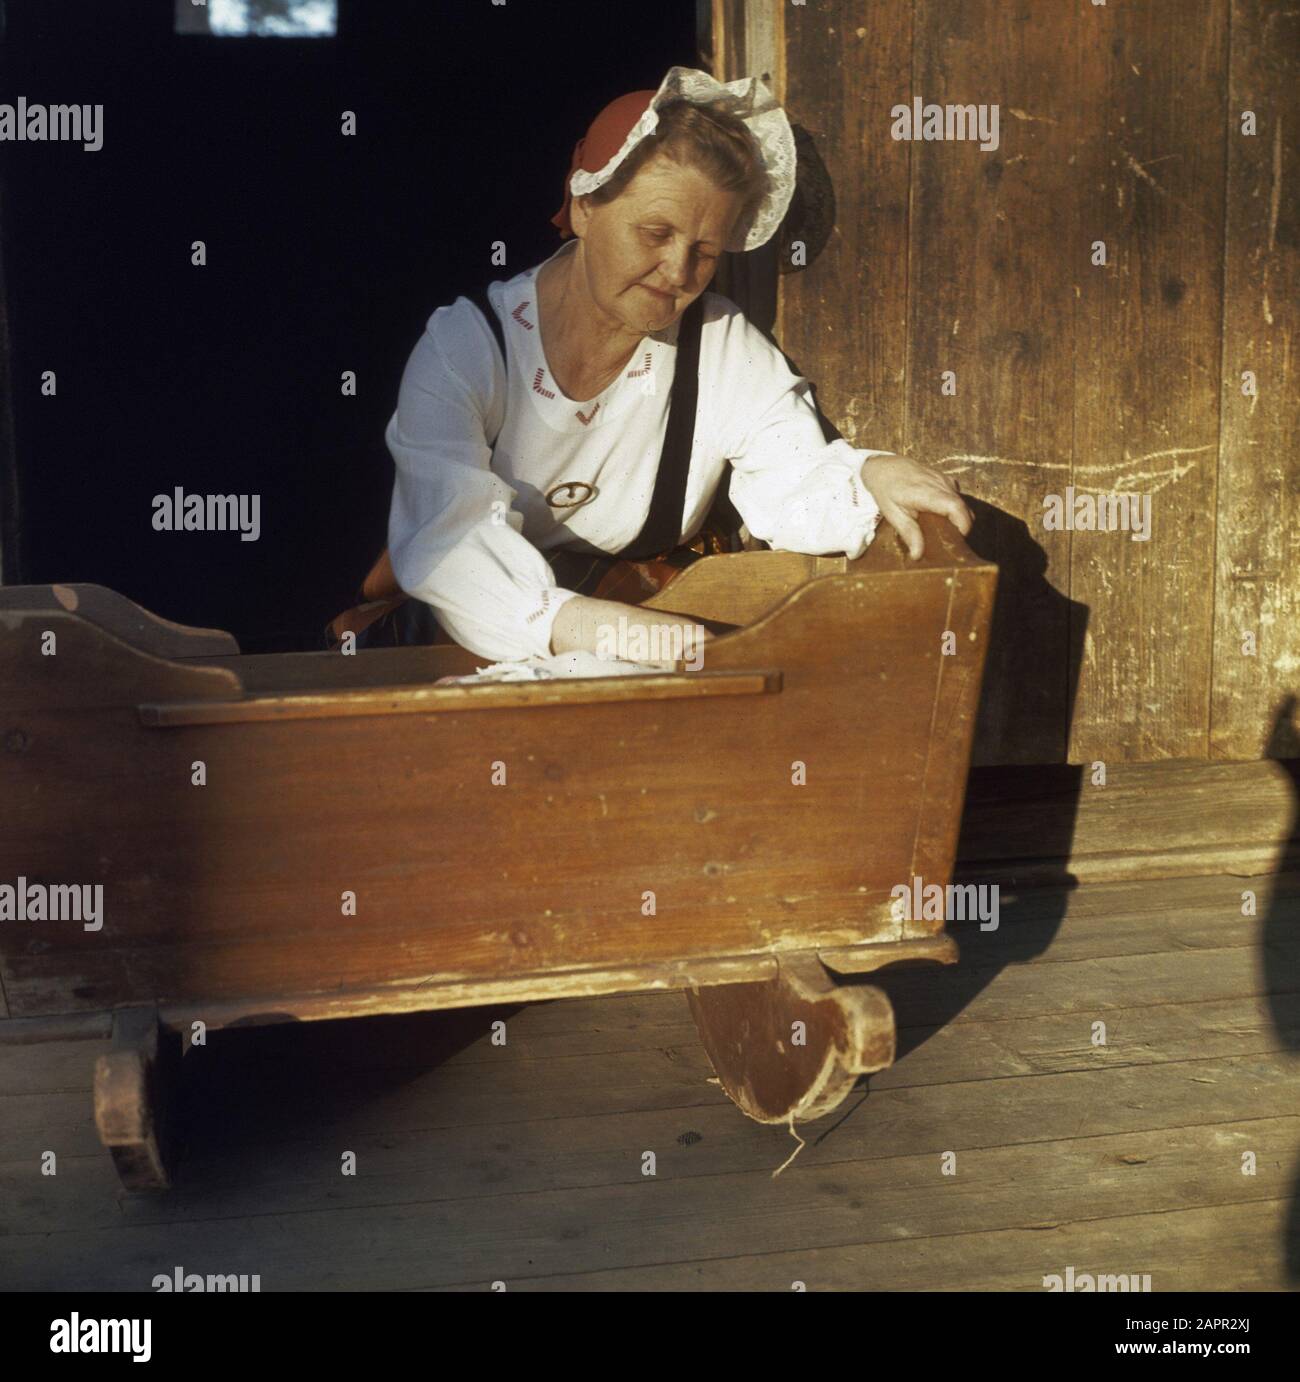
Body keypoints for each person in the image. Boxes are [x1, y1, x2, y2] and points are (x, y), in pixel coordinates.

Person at [384, 66, 971, 667]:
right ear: (585, 206)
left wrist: (868, 477)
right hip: (490, 637)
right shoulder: (469, 347)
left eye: (705, 251)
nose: (677, 271)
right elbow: (446, 538)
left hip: (648, 616)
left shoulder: (716, 345)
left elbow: (791, 473)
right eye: (655, 233)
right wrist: (588, 625)